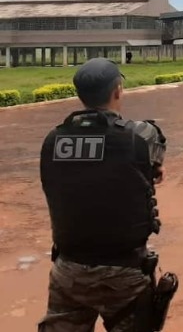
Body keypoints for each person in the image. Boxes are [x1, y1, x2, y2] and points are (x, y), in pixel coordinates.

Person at [38, 58, 168, 332]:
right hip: (124, 272)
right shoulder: (138, 136)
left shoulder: (52, 139)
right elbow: (154, 141)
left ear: (79, 95)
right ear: (117, 90)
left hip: (69, 268)